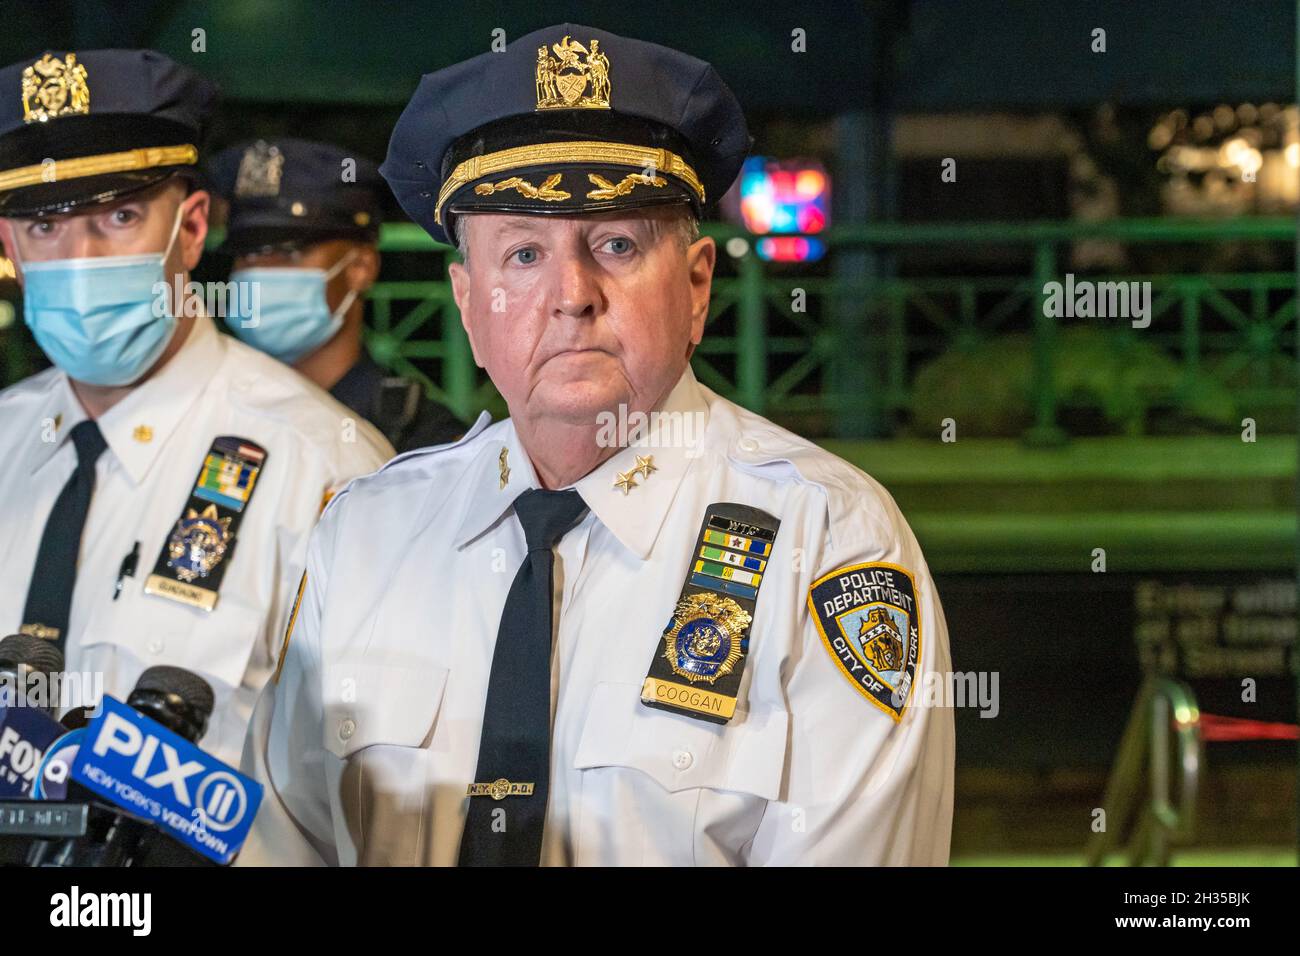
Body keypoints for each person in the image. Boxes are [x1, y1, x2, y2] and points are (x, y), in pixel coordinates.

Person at [241, 24, 954, 866]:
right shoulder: (363, 535)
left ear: (696, 287)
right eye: (523, 253)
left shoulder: (827, 539)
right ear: (468, 307)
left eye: (616, 244)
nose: (571, 296)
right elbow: (279, 843)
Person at [0, 50, 393, 765]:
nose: (80, 257)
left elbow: (380, 797)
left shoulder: (330, 472)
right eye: (45, 226)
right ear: (8, 247)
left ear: (190, 229)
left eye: (118, 216)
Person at [208, 138, 465, 452]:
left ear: (360, 268)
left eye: (289, 254)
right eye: (247, 254)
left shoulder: (422, 441)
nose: (259, 270)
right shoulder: (206, 414)